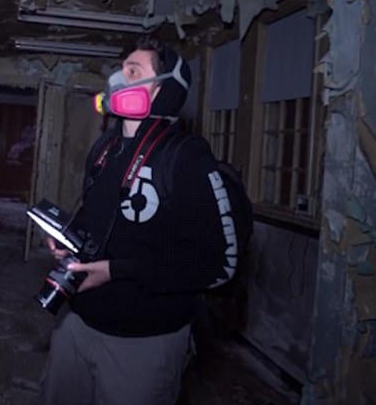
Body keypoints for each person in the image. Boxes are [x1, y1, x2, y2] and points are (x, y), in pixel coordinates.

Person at [39, 43, 235, 405]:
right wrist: (69, 240)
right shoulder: (104, 148)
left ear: (164, 90)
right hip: (78, 323)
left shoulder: (186, 158)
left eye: (133, 71)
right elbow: (101, 221)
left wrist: (117, 271)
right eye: (120, 68)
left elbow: (219, 264)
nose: (117, 78)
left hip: (144, 340)